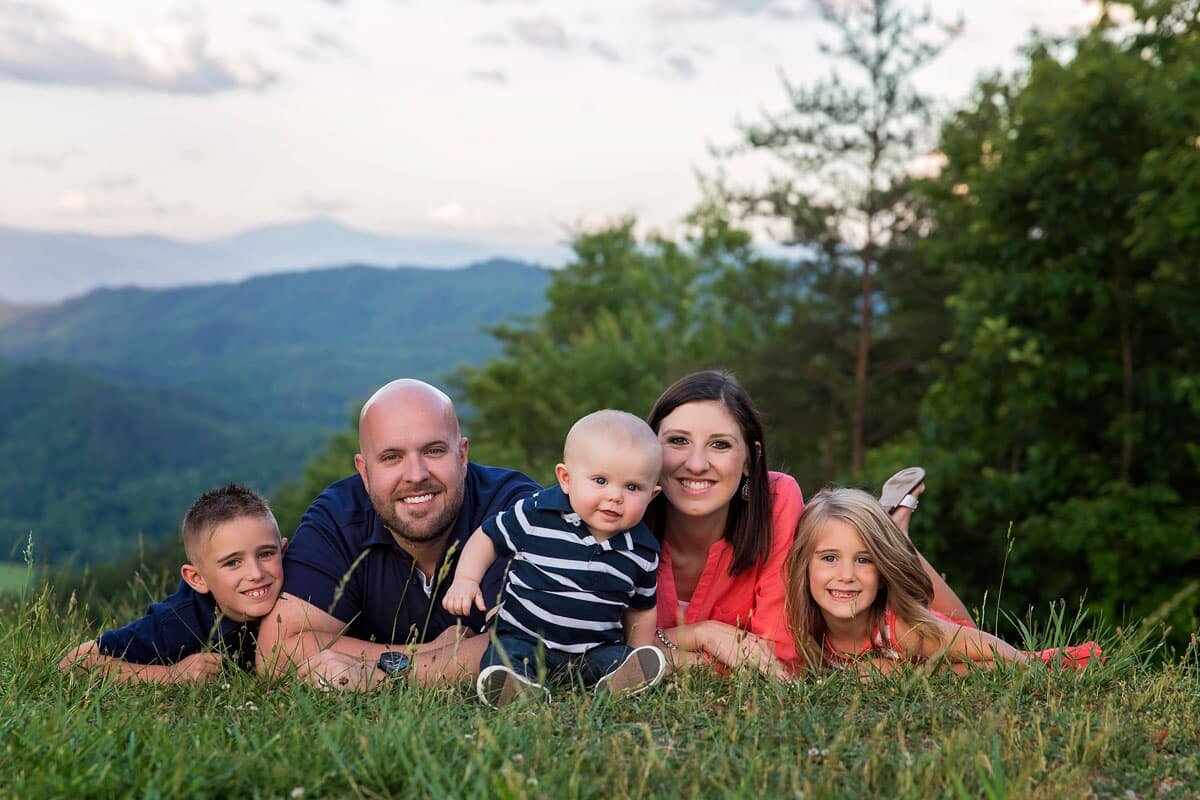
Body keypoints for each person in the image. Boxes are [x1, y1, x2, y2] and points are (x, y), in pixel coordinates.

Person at [257, 379, 540, 690]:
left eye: (433, 451)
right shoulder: (338, 517)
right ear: (364, 472)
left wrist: (375, 676)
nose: (416, 475)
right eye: (392, 457)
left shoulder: (516, 510)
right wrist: (427, 654)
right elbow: (276, 651)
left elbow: (534, 642)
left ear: (463, 455)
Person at [443, 410, 667, 707]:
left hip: (592, 649)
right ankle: (517, 687)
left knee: (614, 659)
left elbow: (641, 610)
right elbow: (488, 537)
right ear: (566, 479)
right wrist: (466, 579)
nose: (615, 496)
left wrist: (636, 652)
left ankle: (623, 678)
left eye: (632, 487)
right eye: (600, 480)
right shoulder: (537, 514)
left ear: (652, 495)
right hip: (525, 638)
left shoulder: (642, 550)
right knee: (503, 652)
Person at [784, 487, 1101, 673]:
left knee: (967, 633)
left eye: (864, 560)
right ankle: (896, 530)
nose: (846, 576)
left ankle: (898, 536)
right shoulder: (796, 624)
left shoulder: (906, 632)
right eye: (829, 558)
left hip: (939, 632)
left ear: (882, 573)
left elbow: (988, 651)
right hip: (923, 630)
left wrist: (1033, 673)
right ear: (804, 566)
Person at [641, 370, 803, 676]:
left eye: (720, 445)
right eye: (677, 441)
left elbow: (776, 660)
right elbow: (592, 648)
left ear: (749, 459)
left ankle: (894, 519)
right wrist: (705, 634)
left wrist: (654, 655)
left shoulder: (777, 500)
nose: (697, 464)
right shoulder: (616, 509)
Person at [59, 483, 285, 684]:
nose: (255, 573)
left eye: (266, 554)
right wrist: (172, 674)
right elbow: (74, 663)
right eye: (233, 562)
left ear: (284, 552)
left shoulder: (301, 591)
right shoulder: (177, 621)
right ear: (197, 579)